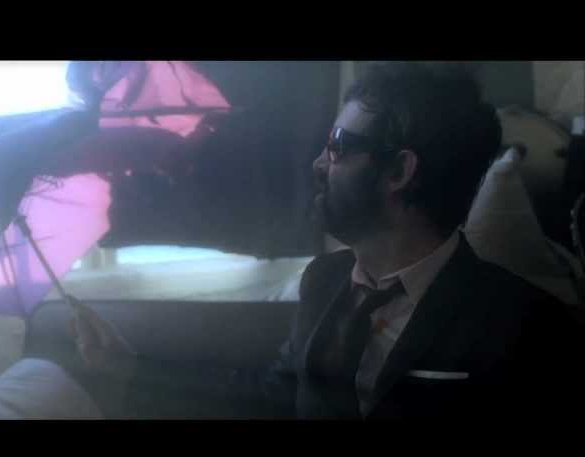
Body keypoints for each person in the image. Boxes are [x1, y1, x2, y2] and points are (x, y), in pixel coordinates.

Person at [68, 62, 584, 421]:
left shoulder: (529, 326)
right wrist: (131, 370)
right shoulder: (324, 281)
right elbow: (274, 398)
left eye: (337, 146)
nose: (318, 164)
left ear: (400, 171)